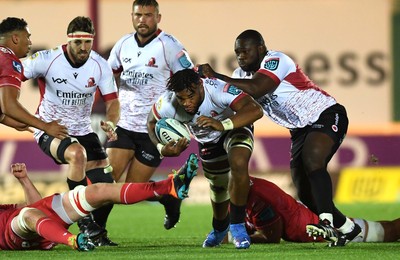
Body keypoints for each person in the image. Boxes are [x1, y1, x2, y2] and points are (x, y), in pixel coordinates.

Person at [198, 29, 362, 246]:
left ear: (260, 48)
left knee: (313, 161)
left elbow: (257, 88)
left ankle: (326, 222)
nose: (241, 57)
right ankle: (348, 228)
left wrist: (216, 76)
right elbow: (236, 102)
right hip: (299, 130)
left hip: (325, 113)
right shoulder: (239, 76)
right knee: (302, 187)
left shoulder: (276, 60)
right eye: (237, 53)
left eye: (245, 51)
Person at [21, 16, 120, 246]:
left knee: (107, 185)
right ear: (69, 40)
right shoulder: (47, 59)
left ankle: (99, 233)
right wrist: (19, 116)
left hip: (83, 130)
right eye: (78, 43)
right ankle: (84, 221)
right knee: (77, 154)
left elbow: (113, 103)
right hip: (51, 129)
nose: (83, 48)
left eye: (88, 42)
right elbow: (12, 78)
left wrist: (111, 122)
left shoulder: (99, 65)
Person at [147, 68, 264, 249]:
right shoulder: (168, 103)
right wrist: (162, 148)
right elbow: (151, 122)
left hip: (234, 127)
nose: (186, 103)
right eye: (181, 98)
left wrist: (222, 124)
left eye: (190, 96)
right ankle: (219, 229)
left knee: (239, 163)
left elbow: (255, 110)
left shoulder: (218, 90)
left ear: (200, 85)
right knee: (218, 188)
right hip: (208, 141)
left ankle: (238, 226)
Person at [106, 0, 194, 230]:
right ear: (132, 16)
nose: (142, 20)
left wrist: (182, 112)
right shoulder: (123, 44)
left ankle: (168, 196)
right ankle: (98, 232)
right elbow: (107, 76)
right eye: (138, 15)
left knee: (133, 190)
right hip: (124, 125)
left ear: (158, 17)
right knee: (106, 181)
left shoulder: (171, 46)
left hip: (153, 128)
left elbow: (190, 80)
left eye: (147, 15)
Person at [0, 153, 198, 251]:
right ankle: (72, 240)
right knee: (26, 216)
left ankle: (169, 186)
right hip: (14, 235)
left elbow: (34, 207)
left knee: (97, 191)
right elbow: (29, 215)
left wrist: (24, 179)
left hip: (41, 222)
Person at [230, 176, 400, 245]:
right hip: (305, 218)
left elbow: (271, 237)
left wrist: (234, 238)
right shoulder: (244, 187)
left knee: (386, 232)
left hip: (315, 227)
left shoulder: (259, 199)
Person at [0, 17, 68, 139]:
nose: (30, 42)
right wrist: (45, 126)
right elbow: (9, 105)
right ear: (15, 38)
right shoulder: (8, 60)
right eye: (27, 37)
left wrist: (8, 120)